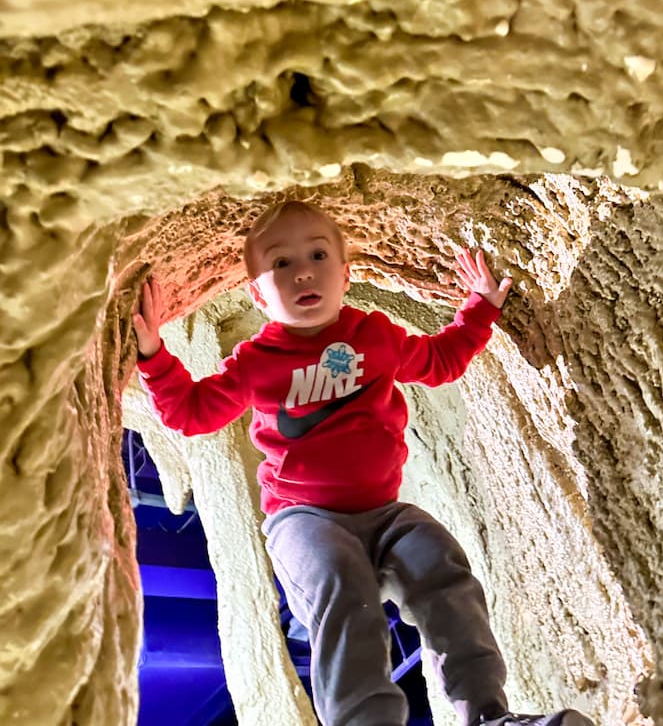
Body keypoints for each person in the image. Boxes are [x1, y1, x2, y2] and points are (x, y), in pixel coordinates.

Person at [134, 200, 593, 726]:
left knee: (441, 566)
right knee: (340, 588)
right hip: (303, 518)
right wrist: (154, 357)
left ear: (346, 274)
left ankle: (488, 715)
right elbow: (192, 412)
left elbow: (440, 362)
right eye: (281, 264)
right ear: (258, 295)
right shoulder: (258, 362)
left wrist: (482, 307)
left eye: (318, 254)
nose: (304, 270)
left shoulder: (373, 336)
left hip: (385, 513)